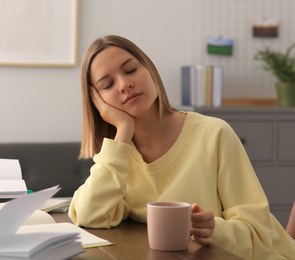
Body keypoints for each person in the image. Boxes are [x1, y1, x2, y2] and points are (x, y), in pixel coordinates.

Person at [68, 35, 295, 259]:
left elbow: (260, 236)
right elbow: (90, 215)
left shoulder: (214, 134)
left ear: (149, 69)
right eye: (108, 84)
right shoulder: (118, 156)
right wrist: (124, 129)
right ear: (97, 101)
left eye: (130, 70)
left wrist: (215, 230)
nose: (125, 84)